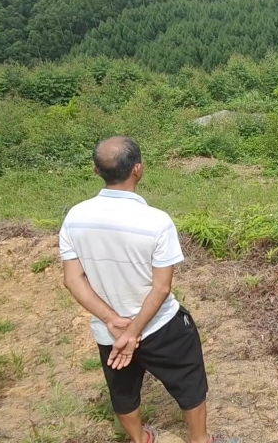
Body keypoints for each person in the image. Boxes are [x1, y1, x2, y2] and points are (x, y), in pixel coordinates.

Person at [59, 136, 240, 443]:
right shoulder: (157, 222)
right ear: (138, 170)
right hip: (159, 325)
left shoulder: (74, 218)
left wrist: (113, 321)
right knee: (189, 381)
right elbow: (161, 287)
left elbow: (72, 279)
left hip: (111, 332)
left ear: (96, 171)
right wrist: (134, 332)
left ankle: (140, 439)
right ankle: (199, 440)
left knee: (123, 390)